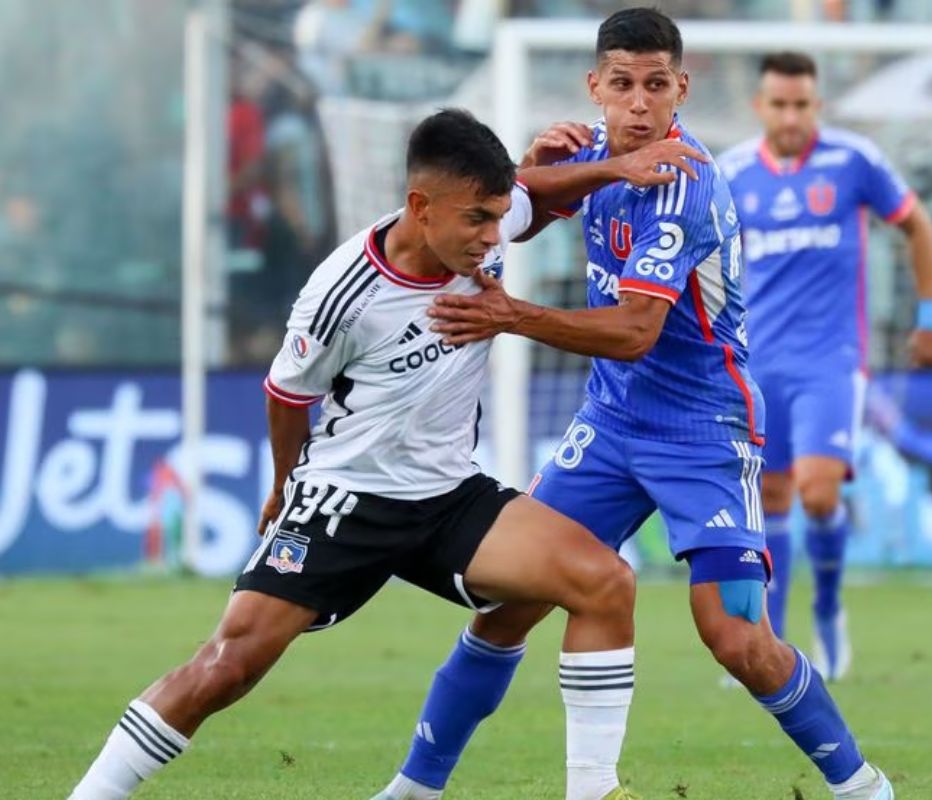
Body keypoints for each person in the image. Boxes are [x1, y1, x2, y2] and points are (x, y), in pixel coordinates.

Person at [66, 108, 704, 800]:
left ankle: (592, 790)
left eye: (498, 218)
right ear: (420, 208)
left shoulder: (475, 230)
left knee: (604, 581)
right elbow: (286, 394)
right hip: (345, 499)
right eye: (479, 221)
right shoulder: (341, 295)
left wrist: (609, 167)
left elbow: (533, 196)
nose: (496, 238)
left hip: (448, 497)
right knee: (228, 666)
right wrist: (286, 486)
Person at [372, 10, 894, 800]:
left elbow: (634, 331)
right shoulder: (589, 150)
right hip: (611, 426)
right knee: (510, 606)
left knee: (736, 637)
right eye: (622, 85)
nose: (640, 104)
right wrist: (531, 167)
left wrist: (512, 316)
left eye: (656, 85)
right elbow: (505, 205)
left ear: (681, 88)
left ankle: (863, 788)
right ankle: (412, 790)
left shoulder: (683, 180)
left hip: (704, 427)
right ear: (596, 89)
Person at [717, 52, 932, 681]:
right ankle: (776, 638)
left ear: (817, 106)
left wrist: (930, 318)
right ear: (760, 106)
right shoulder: (732, 172)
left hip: (830, 359)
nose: (791, 116)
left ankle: (828, 610)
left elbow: (917, 225)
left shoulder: (853, 161)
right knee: (770, 497)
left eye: (802, 104)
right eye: (780, 104)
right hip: (755, 361)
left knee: (820, 493)